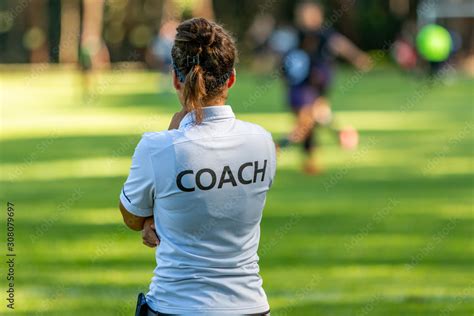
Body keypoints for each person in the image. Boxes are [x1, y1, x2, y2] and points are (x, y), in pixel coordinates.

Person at [119, 18, 276, 316]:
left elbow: (131, 217)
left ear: (176, 79)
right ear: (231, 79)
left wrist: (153, 217)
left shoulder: (157, 148)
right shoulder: (262, 141)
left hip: (175, 306)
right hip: (251, 306)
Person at [278, 1, 371, 174]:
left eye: (311, 14)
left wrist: (357, 57)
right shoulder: (295, 35)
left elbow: (341, 44)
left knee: (306, 123)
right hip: (296, 87)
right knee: (310, 123)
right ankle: (338, 135)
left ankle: (278, 148)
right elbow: (283, 57)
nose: (307, 18)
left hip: (315, 86)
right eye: (304, 14)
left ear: (319, 16)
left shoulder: (324, 35)